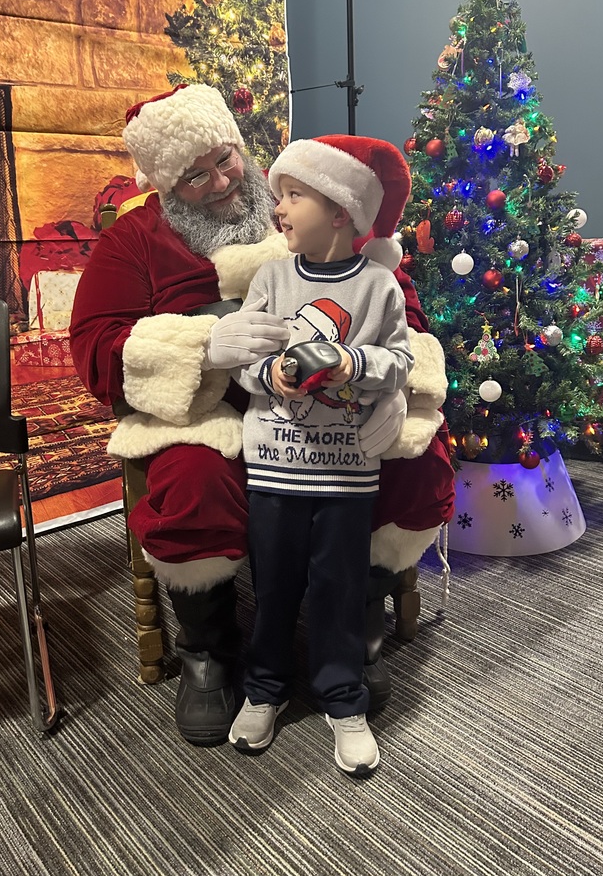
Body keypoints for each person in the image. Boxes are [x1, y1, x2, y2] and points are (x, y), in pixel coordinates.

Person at [69, 84, 455, 749]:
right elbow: (95, 348)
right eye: (193, 177)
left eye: (225, 159)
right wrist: (199, 349)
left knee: (418, 457)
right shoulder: (133, 242)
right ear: (162, 183)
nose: (220, 182)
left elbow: (400, 313)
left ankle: (360, 612)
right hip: (209, 411)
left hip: (335, 404)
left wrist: (386, 391)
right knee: (192, 482)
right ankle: (208, 649)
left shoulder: (304, 202)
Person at [227, 135, 415, 776]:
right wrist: (271, 373)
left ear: (340, 210)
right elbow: (242, 356)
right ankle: (263, 689)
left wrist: (350, 363)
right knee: (273, 585)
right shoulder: (271, 278)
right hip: (274, 466)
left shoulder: (379, 287)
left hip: (344, 474)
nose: (278, 208)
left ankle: (343, 697)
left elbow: (401, 363)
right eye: (277, 195)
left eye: (293, 195)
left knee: (338, 589)